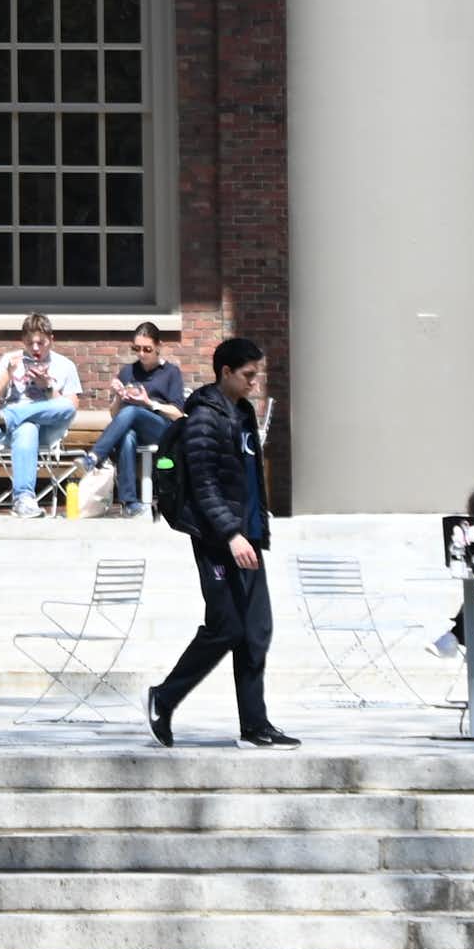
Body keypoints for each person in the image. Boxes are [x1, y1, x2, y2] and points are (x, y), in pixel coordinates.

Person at [145, 336, 297, 750]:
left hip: (246, 538)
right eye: (248, 375)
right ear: (226, 372)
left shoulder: (243, 414)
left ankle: (255, 725)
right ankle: (164, 696)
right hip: (217, 539)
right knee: (227, 626)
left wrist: (254, 531)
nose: (255, 383)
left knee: (256, 631)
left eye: (257, 375)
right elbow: (205, 484)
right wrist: (230, 534)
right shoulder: (203, 419)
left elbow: (249, 480)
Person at [0, 314, 81, 519]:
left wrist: (48, 387)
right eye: (29, 343)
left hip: (47, 429)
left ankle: (10, 416)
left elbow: (71, 407)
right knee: (27, 427)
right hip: (13, 434)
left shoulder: (65, 365)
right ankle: (24, 499)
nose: (35, 348)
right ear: (22, 341)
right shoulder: (10, 360)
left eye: (41, 343)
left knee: (66, 407)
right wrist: (8, 374)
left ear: (51, 339)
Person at [84, 321, 187, 517]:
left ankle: (96, 456)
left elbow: (178, 413)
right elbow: (115, 416)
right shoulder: (128, 372)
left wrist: (149, 403)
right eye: (136, 349)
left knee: (132, 412)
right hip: (133, 427)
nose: (141, 354)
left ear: (158, 346)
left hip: (162, 428)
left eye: (147, 349)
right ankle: (129, 502)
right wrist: (117, 396)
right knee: (127, 436)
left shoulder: (171, 373)